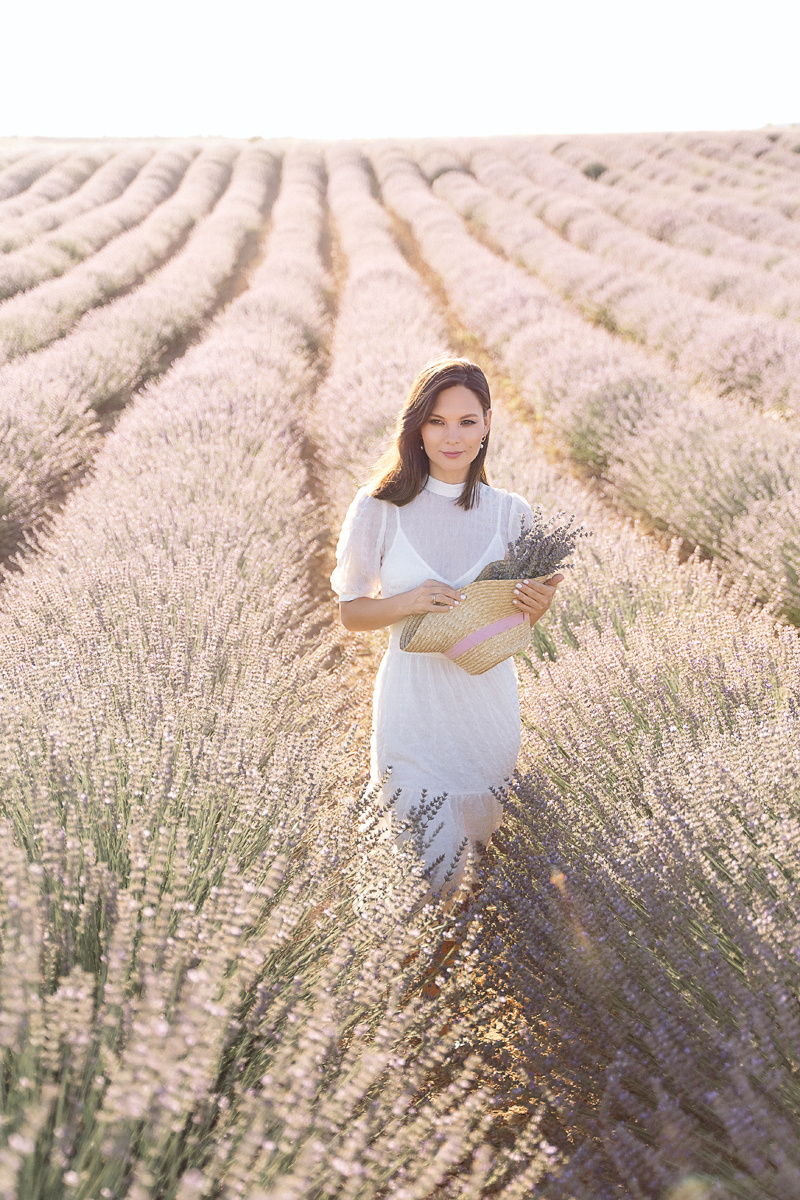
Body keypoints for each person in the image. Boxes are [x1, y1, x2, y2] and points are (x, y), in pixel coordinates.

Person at [330, 358, 562, 905]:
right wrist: (408, 603)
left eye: (466, 421)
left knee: (478, 850)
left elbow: (515, 621)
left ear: (486, 424)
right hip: (413, 702)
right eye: (436, 422)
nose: (452, 436)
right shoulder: (380, 508)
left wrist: (538, 604)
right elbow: (351, 611)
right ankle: (405, 965)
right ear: (417, 427)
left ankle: (455, 956)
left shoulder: (511, 513)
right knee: (418, 858)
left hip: (485, 702)